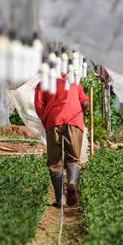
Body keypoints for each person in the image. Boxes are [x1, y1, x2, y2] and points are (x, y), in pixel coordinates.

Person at [34, 70, 89, 207]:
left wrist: (47, 121)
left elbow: (39, 106)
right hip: (74, 121)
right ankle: (72, 182)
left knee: (54, 161)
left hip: (54, 121)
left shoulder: (42, 84)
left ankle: (59, 200)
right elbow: (85, 103)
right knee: (73, 158)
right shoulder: (74, 83)